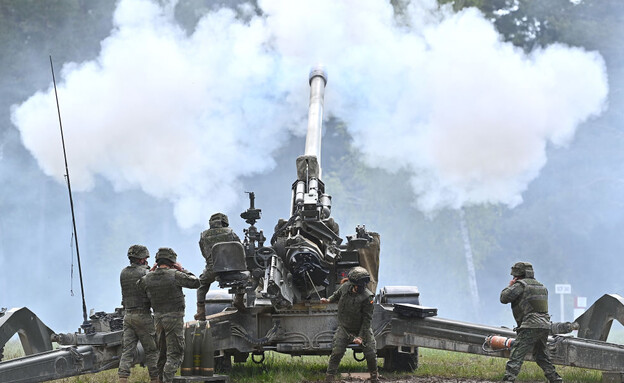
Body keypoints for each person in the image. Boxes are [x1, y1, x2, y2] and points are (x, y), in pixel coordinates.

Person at [138, 248, 200, 383]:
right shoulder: (175, 274)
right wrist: (182, 269)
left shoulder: (147, 277)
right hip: (174, 318)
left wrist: (151, 271)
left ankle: (159, 380)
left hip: (158, 319)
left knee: (162, 354)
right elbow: (196, 282)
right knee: (175, 354)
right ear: (172, 261)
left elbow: (139, 285)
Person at [500, 262, 562, 383]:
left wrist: (510, 285)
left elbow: (504, 298)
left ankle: (508, 380)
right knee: (541, 356)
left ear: (517, 274)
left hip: (530, 325)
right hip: (544, 325)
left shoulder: (520, 285)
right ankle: (556, 379)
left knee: (516, 354)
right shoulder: (541, 286)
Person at [320, 266, 378, 382]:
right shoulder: (345, 287)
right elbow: (337, 294)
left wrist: (360, 337)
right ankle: (329, 378)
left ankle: (374, 377)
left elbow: (367, 320)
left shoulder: (368, 298)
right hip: (345, 328)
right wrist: (328, 300)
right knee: (336, 353)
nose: (360, 287)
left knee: (371, 354)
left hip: (362, 329)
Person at [118, 245, 159, 383]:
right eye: (145, 258)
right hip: (143, 315)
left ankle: (123, 378)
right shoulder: (145, 272)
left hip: (128, 316)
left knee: (127, 350)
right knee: (151, 350)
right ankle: (155, 378)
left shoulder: (123, 272)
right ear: (141, 259)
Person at [195, 213, 242, 319]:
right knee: (244, 278)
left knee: (202, 284)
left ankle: (201, 310)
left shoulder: (203, 235)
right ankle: (238, 300)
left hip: (213, 269)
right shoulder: (230, 232)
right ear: (224, 222)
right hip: (231, 268)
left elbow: (204, 253)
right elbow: (239, 249)